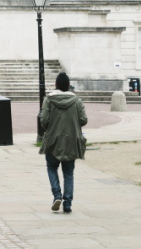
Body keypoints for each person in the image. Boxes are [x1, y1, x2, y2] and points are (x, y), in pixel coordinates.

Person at [39, 71, 88, 214]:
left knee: (51, 167)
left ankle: (56, 195)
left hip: (53, 140)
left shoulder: (48, 100)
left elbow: (44, 121)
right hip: (71, 140)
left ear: (55, 85)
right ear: (68, 85)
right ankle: (67, 203)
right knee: (68, 173)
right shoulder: (77, 101)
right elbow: (84, 120)